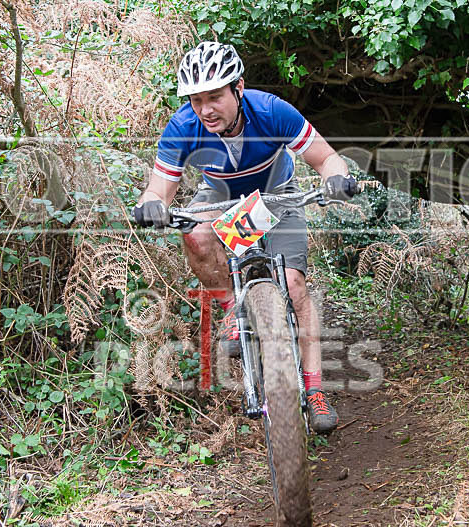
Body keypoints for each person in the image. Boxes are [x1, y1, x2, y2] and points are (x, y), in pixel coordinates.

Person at [132, 41, 358, 433]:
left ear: (238, 87)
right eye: (196, 99)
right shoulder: (183, 126)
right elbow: (159, 189)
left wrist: (336, 177)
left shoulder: (271, 111)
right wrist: (151, 203)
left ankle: (315, 389)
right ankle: (234, 309)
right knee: (195, 234)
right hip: (221, 198)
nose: (205, 109)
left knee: (293, 285)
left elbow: (325, 157)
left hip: (276, 198)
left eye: (215, 96)